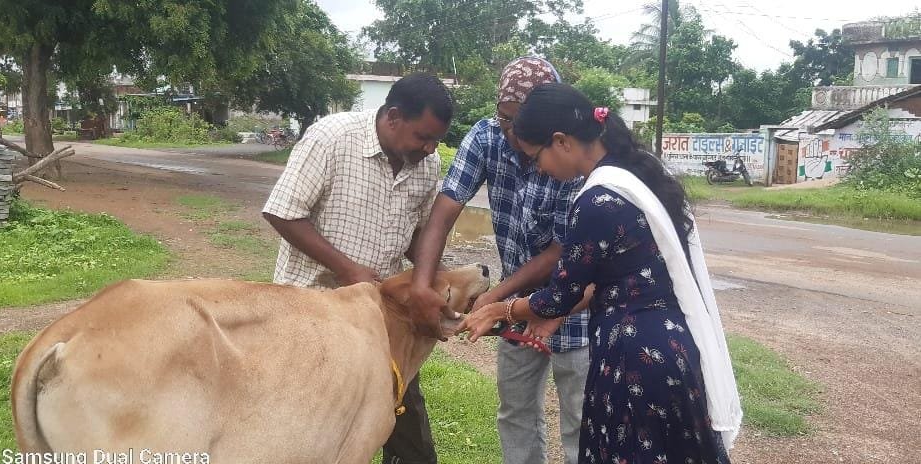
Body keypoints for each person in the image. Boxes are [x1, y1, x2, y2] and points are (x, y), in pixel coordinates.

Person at [458, 83, 742, 464]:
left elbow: (561, 294)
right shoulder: (640, 175)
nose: (538, 168)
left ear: (561, 142)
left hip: (635, 357)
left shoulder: (597, 200)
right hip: (670, 347)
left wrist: (499, 310)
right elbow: (615, 278)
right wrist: (553, 310)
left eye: (535, 157)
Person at [262, 72, 454, 464]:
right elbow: (283, 212)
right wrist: (348, 270)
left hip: (382, 319)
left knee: (411, 442)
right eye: (423, 137)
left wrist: (437, 281)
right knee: (315, 434)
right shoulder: (331, 138)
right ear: (394, 117)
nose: (430, 147)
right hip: (314, 316)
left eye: (436, 140)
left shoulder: (426, 163)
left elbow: (419, 238)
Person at [408, 57, 590, 464]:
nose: (510, 131)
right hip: (514, 307)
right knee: (515, 412)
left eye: (519, 122)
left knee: (580, 419)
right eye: (503, 118)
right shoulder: (486, 137)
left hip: (576, 305)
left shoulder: (573, 158)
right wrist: (424, 282)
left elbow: (561, 250)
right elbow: (446, 208)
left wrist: (497, 301)